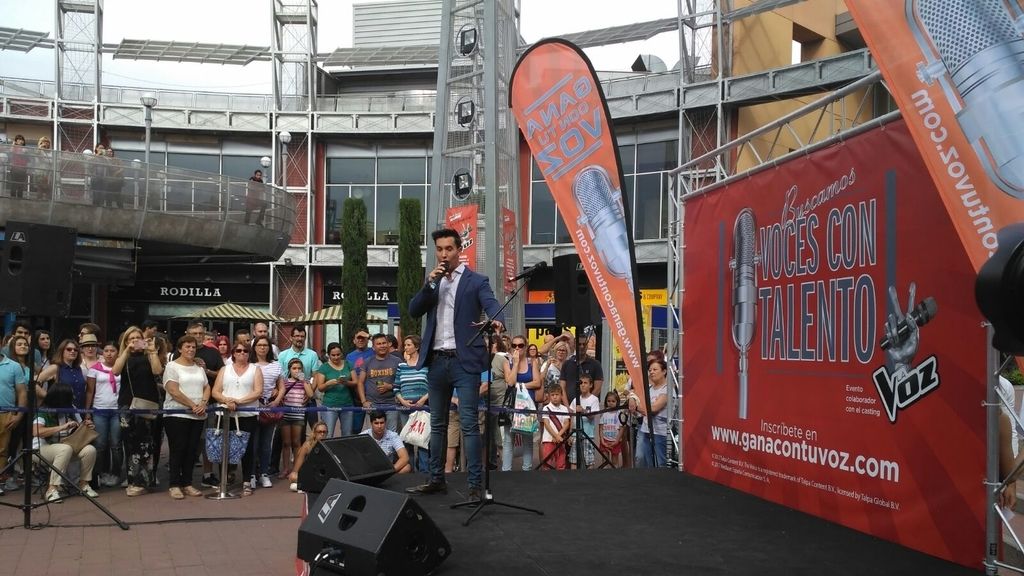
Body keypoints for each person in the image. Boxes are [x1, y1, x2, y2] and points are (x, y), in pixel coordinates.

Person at [406, 228, 505, 500]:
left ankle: (475, 484)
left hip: (464, 362)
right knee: (437, 424)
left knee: (469, 425)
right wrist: (429, 284)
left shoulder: (476, 280)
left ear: (459, 249)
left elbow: (492, 303)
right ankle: (436, 479)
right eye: (439, 249)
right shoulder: (434, 282)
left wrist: (498, 320)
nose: (444, 254)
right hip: (437, 362)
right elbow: (414, 310)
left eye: (449, 248)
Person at [111, 326, 163, 496]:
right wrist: (126, 350)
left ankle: (147, 480)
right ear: (125, 341)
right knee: (130, 444)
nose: (134, 340)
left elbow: (157, 371)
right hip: (127, 404)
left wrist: (152, 351)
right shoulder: (124, 357)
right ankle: (133, 481)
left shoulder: (149, 355)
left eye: (137, 337)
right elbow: (115, 371)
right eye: (130, 338)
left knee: (147, 443)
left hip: (148, 403)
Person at [32, 383, 99, 502]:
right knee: (65, 449)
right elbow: (37, 432)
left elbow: (79, 428)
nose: (73, 397)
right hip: (42, 449)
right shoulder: (44, 409)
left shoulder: (71, 408)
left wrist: (87, 427)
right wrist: (62, 427)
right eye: (70, 395)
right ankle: (51, 489)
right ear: (62, 397)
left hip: (67, 446)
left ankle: (83, 485)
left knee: (90, 450)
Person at [212, 340, 263, 495]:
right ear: (233, 353)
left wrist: (239, 401)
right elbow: (216, 391)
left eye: (245, 351)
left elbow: (257, 391)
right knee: (224, 448)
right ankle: (224, 480)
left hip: (247, 414)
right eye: (239, 351)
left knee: (247, 450)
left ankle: (247, 480)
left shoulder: (255, 369)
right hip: (225, 414)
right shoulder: (224, 369)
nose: (242, 353)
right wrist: (227, 401)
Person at [162, 335, 209, 499]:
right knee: (178, 449)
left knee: (191, 450)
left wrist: (203, 403)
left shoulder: (199, 368)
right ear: (180, 348)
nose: (190, 350)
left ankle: (187, 483)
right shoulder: (172, 366)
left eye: (193, 347)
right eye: (187, 346)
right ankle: (174, 484)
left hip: (197, 416)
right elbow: (173, 390)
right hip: (177, 415)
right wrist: (192, 405)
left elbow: (206, 386)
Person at [85, 341, 123, 487]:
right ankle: (99, 474)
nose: (109, 353)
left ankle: (116, 473)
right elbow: (90, 391)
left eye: (112, 350)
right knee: (100, 444)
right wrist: (87, 412)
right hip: (99, 410)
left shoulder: (121, 368)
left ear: (118, 353)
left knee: (116, 444)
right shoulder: (94, 369)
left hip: (116, 410)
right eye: (106, 350)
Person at [251, 335, 284, 488]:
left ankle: (264, 473)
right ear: (255, 347)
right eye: (260, 345)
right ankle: (251, 474)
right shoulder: (249, 364)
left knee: (266, 444)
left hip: (270, 408)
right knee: (253, 443)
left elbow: (281, 386)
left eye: (265, 345)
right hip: (252, 407)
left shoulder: (276, 365)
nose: (263, 348)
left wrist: (276, 401)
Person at [395, 335, 429, 472]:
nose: (406, 347)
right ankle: (410, 471)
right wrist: (402, 400)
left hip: (423, 408)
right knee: (406, 440)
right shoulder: (401, 366)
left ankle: (424, 472)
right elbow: (396, 387)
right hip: (405, 408)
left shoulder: (426, 364)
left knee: (422, 440)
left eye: (409, 345)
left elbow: (433, 385)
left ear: (417, 347)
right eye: (405, 345)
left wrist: (423, 399)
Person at [630, 359, 669, 468]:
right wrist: (632, 399)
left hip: (660, 432)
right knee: (640, 458)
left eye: (655, 369)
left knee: (660, 462)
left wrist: (637, 407)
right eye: (650, 370)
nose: (651, 372)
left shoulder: (667, 390)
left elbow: (654, 408)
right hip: (645, 430)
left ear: (664, 371)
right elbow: (633, 394)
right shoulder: (649, 389)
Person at [357, 334, 401, 432]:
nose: (382, 346)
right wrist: (364, 401)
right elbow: (360, 382)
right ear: (373, 347)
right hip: (372, 404)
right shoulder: (367, 362)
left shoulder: (397, 361)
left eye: (384, 343)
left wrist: (390, 386)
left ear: (388, 344)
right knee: (373, 435)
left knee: (392, 434)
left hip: (392, 404)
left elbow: (403, 382)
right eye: (379, 344)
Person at [0, 343, 28, 496]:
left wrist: (19, 415)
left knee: (3, 450)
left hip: (7, 413)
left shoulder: (14, 366)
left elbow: (22, 392)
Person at [280, 358, 312, 479]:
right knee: (286, 443)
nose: (297, 370)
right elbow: (280, 394)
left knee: (296, 442)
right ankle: (286, 468)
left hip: (298, 415)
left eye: (299, 368)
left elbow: (310, 394)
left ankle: (296, 468)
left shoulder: (305, 382)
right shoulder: (285, 381)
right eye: (294, 368)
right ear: (289, 370)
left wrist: (303, 381)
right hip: (285, 415)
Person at [315, 342, 354, 438]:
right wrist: (328, 383)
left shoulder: (348, 364)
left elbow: (356, 382)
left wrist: (346, 382)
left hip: (347, 404)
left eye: (338, 354)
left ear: (342, 353)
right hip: (330, 404)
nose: (336, 357)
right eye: (333, 355)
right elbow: (320, 387)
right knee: (328, 434)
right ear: (328, 355)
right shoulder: (324, 367)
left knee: (347, 434)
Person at [37, 339, 87, 410]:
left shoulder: (78, 369)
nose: (73, 351)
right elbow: (33, 382)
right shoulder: (55, 368)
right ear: (62, 351)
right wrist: (48, 396)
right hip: (62, 411)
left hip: (80, 410)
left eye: (75, 350)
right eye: (69, 349)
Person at [559, 332, 605, 404]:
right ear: (574, 346)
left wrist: (587, 403)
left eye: (584, 344)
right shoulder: (567, 364)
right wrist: (568, 407)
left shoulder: (595, 364)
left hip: (589, 409)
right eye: (579, 344)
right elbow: (562, 387)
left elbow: (597, 388)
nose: (582, 346)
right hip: (569, 408)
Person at [568, 374, 601, 469]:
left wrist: (583, 410)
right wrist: (570, 433)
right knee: (573, 460)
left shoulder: (594, 399)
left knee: (589, 461)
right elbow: (572, 417)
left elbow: (592, 416)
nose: (583, 385)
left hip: (588, 435)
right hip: (575, 435)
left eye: (585, 383)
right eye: (581, 383)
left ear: (591, 385)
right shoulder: (575, 400)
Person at [345, 328, 374, 435]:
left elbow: (384, 346)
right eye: (358, 338)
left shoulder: (374, 351)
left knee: (377, 426)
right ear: (354, 340)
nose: (361, 340)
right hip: (356, 397)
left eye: (364, 338)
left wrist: (369, 336)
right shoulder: (349, 356)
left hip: (373, 394)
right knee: (356, 428)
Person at [288, 420, 327, 492]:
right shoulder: (307, 446)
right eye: (319, 432)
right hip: (309, 473)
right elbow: (296, 470)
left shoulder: (329, 444)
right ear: (314, 433)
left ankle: (306, 487)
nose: (322, 434)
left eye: (324, 432)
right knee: (293, 476)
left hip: (323, 474)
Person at [540, 381, 570, 470]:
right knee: (547, 463)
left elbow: (566, 423)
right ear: (549, 396)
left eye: (557, 394)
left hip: (560, 439)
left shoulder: (564, 409)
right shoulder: (546, 408)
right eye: (552, 395)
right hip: (548, 439)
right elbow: (546, 423)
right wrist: (555, 436)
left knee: (561, 463)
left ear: (561, 395)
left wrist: (558, 436)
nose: (555, 397)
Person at [598, 390, 625, 468]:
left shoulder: (619, 413)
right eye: (609, 401)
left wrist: (616, 441)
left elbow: (621, 429)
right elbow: (600, 428)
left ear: (617, 402)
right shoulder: (604, 413)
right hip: (605, 441)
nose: (611, 403)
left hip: (615, 441)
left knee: (614, 461)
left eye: (613, 401)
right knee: (605, 460)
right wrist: (602, 441)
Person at [9, 134, 28, 198]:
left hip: (23, 170)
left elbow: (28, 158)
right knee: (13, 185)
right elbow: (11, 151)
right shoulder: (14, 148)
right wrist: (13, 144)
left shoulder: (26, 149)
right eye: (19, 139)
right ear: (16, 141)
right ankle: (12, 199)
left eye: (22, 139)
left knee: (21, 186)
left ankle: (20, 199)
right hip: (14, 169)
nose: (21, 141)